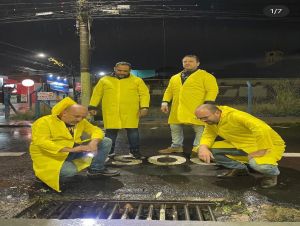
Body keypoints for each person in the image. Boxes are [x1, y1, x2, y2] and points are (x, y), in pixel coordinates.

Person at [30, 97, 120, 192]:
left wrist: (94, 142)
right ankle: (42, 175)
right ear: (64, 113)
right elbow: (42, 142)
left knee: (105, 141)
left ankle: (96, 169)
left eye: (83, 117)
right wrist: (71, 149)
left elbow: (95, 130)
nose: (80, 119)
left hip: (72, 151)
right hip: (52, 156)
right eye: (77, 116)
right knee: (70, 171)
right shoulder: (44, 122)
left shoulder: (80, 121)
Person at [195, 104, 285, 188]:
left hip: (267, 144)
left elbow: (262, 128)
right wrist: (203, 147)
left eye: (205, 118)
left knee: (259, 166)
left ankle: (271, 175)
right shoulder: (212, 120)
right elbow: (209, 135)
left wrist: (262, 149)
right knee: (204, 150)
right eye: (200, 119)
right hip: (240, 143)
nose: (203, 121)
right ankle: (240, 169)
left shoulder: (235, 116)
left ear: (217, 112)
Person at [89, 62, 150, 159]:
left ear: (129, 71)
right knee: (110, 133)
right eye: (119, 70)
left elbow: (144, 94)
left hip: (131, 111)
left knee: (133, 132)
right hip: (111, 111)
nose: (122, 72)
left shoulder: (137, 81)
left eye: (125, 71)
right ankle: (109, 152)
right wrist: (92, 106)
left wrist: (144, 107)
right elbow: (97, 94)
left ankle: (135, 152)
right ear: (114, 69)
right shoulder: (104, 80)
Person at [159, 55, 219, 154]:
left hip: (197, 108)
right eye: (185, 61)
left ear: (198, 63)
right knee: (175, 127)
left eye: (191, 61)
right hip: (177, 108)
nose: (187, 63)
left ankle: (197, 148)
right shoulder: (175, 77)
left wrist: (208, 104)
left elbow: (212, 90)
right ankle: (176, 146)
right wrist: (165, 102)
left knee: (199, 129)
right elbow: (169, 91)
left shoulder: (206, 76)